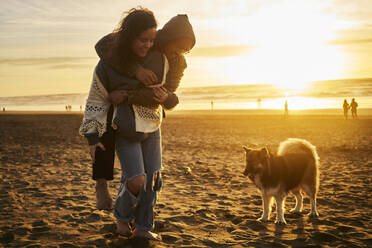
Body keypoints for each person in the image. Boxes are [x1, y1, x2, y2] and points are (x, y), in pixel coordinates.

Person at [79, 8, 195, 240]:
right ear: (130, 37)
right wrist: (92, 138)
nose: (148, 44)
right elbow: (96, 100)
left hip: (152, 124)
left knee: (152, 179)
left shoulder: (167, 60)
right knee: (136, 179)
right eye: (143, 40)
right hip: (125, 128)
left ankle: (143, 227)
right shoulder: (110, 61)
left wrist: (127, 94)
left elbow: (166, 95)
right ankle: (122, 217)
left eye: (151, 40)